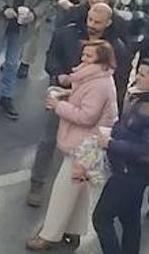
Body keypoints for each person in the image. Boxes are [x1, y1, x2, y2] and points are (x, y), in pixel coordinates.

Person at [26, 40, 119, 250]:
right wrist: (68, 95)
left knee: (63, 191)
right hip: (90, 145)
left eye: (89, 56)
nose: (83, 59)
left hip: (84, 145)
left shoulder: (97, 83)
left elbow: (87, 116)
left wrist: (59, 105)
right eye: (84, 54)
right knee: (78, 189)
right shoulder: (98, 78)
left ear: (100, 60)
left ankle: (49, 236)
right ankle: (73, 230)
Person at [91, 57, 149, 254]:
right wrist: (112, 133)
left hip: (130, 175)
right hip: (127, 171)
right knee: (130, 218)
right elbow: (125, 126)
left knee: (101, 218)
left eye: (143, 75)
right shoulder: (141, 97)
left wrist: (111, 143)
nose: (138, 78)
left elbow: (146, 151)